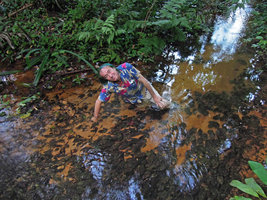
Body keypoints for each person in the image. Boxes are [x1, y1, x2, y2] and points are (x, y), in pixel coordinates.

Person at [91, 62, 171, 122]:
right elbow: (98, 101)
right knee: (146, 110)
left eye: (109, 71)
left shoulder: (126, 67)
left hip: (145, 90)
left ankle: (174, 107)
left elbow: (144, 81)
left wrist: (155, 97)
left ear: (114, 68)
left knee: (163, 105)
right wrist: (95, 117)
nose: (110, 76)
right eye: (106, 76)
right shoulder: (108, 86)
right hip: (134, 100)